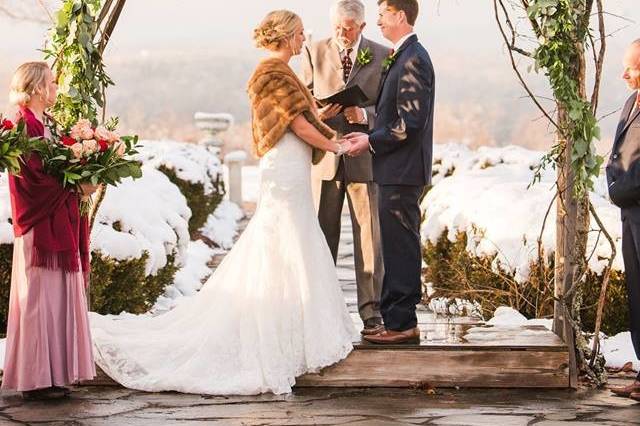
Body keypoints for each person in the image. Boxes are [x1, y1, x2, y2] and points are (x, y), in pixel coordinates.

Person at [88, 10, 357, 395]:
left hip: (288, 165)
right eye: (298, 35)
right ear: (284, 36)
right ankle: (279, 325)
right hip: (284, 167)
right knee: (286, 240)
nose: (302, 41)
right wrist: (334, 144)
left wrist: (320, 113)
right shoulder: (274, 72)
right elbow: (296, 125)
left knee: (290, 241)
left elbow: (301, 115)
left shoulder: (279, 72)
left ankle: (291, 320)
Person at [2, 62, 97, 400]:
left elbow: (60, 168)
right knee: (38, 302)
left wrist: (86, 173)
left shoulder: (50, 125)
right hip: (38, 228)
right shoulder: (21, 127)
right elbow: (28, 182)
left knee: (56, 301)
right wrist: (73, 189)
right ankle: (35, 379)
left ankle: (56, 374)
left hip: (59, 223)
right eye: (52, 83)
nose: (57, 88)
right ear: (38, 88)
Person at [345, 0, 435, 344]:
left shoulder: (414, 59)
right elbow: (393, 116)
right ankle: (396, 319)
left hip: (402, 170)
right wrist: (368, 132)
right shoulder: (404, 54)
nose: (378, 21)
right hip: (395, 169)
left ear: (399, 15)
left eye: (382, 15)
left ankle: (401, 324)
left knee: (400, 247)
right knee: (395, 244)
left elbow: (409, 123)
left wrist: (369, 143)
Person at [301, 0, 387, 336]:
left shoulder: (383, 55)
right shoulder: (313, 50)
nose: (341, 32)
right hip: (325, 159)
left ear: (362, 27)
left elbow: (391, 109)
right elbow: (301, 99)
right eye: (337, 25)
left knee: (370, 238)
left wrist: (364, 117)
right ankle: (323, 310)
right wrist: (317, 115)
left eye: (348, 27)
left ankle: (371, 312)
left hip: (364, 157)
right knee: (322, 236)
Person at [606, 39, 640, 402]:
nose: (624, 73)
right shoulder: (632, 101)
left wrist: (620, 189)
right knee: (637, 294)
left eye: (630, 67)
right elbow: (619, 152)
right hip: (630, 213)